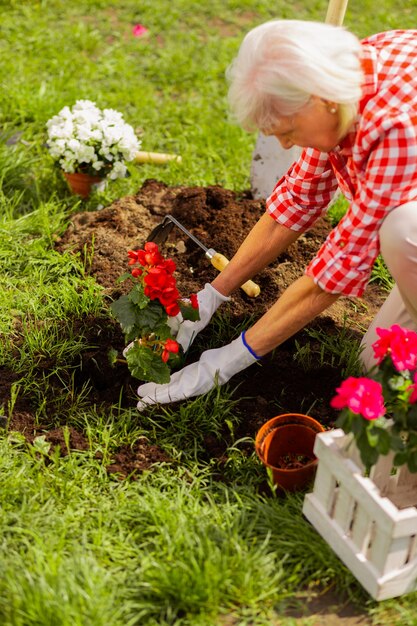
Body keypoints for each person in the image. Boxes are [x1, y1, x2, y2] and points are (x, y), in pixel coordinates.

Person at [137, 19, 417, 409]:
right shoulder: (340, 81)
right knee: (379, 366)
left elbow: (330, 276)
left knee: (404, 229)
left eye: (286, 130)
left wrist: (224, 362)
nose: (284, 142)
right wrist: (209, 298)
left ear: (321, 100)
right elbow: (298, 200)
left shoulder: (393, 128)